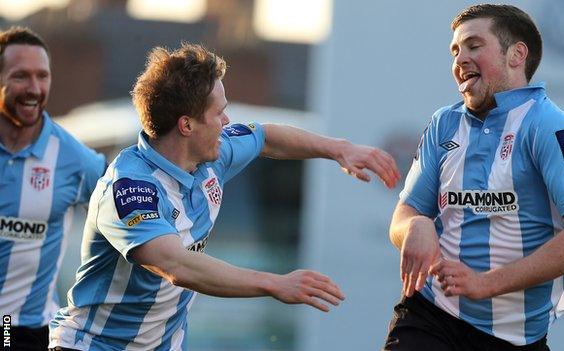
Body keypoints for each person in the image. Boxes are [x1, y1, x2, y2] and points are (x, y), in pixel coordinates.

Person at [48, 43, 400, 350]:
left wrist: (340, 149)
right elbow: (176, 265)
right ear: (187, 125)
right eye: (219, 113)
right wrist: (274, 283)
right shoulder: (130, 188)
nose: (227, 120)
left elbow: (266, 137)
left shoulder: (208, 156)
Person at [383, 4, 564, 351]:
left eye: (473, 46)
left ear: (516, 55)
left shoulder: (553, 127)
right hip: (431, 313)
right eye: (455, 51)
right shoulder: (445, 122)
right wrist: (414, 227)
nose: (460, 60)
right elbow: (404, 214)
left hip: (516, 338)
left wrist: (486, 284)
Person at [0, 27, 106, 351]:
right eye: (21, 76)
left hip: (20, 331)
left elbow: (126, 230)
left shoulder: (78, 161)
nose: (34, 89)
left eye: (42, 76)